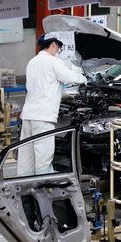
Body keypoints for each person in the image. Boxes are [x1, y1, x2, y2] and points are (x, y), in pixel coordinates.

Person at [18, 33, 87, 176]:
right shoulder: (53, 62)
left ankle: (24, 191)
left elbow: (43, 85)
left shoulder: (32, 62)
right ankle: (44, 190)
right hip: (43, 117)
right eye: (58, 48)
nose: (58, 51)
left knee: (26, 157)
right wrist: (86, 79)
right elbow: (70, 77)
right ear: (53, 44)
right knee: (43, 158)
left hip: (28, 115)